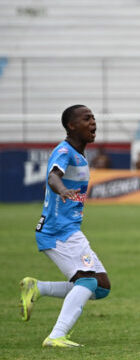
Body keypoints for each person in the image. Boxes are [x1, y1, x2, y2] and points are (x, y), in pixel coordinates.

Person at [19, 105, 111, 347]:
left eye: (94, 118)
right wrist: (62, 190)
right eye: (87, 118)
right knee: (88, 281)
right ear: (72, 125)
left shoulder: (79, 155)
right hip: (59, 231)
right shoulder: (64, 151)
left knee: (101, 287)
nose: (93, 122)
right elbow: (52, 176)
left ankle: (38, 288)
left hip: (68, 230)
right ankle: (57, 335)